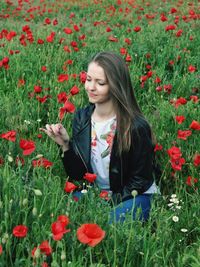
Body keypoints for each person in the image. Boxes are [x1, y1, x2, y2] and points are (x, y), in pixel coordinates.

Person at [40, 51, 160, 223]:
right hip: (97, 194)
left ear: (116, 86)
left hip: (133, 196)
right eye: (88, 79)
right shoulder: (82, 119)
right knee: (60, 215)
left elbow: (139, 181)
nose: (90, 87)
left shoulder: (135, 126)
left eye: (100, 83)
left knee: (108, 226)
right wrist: (65, 145)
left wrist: (109, 204)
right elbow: (78, 174)